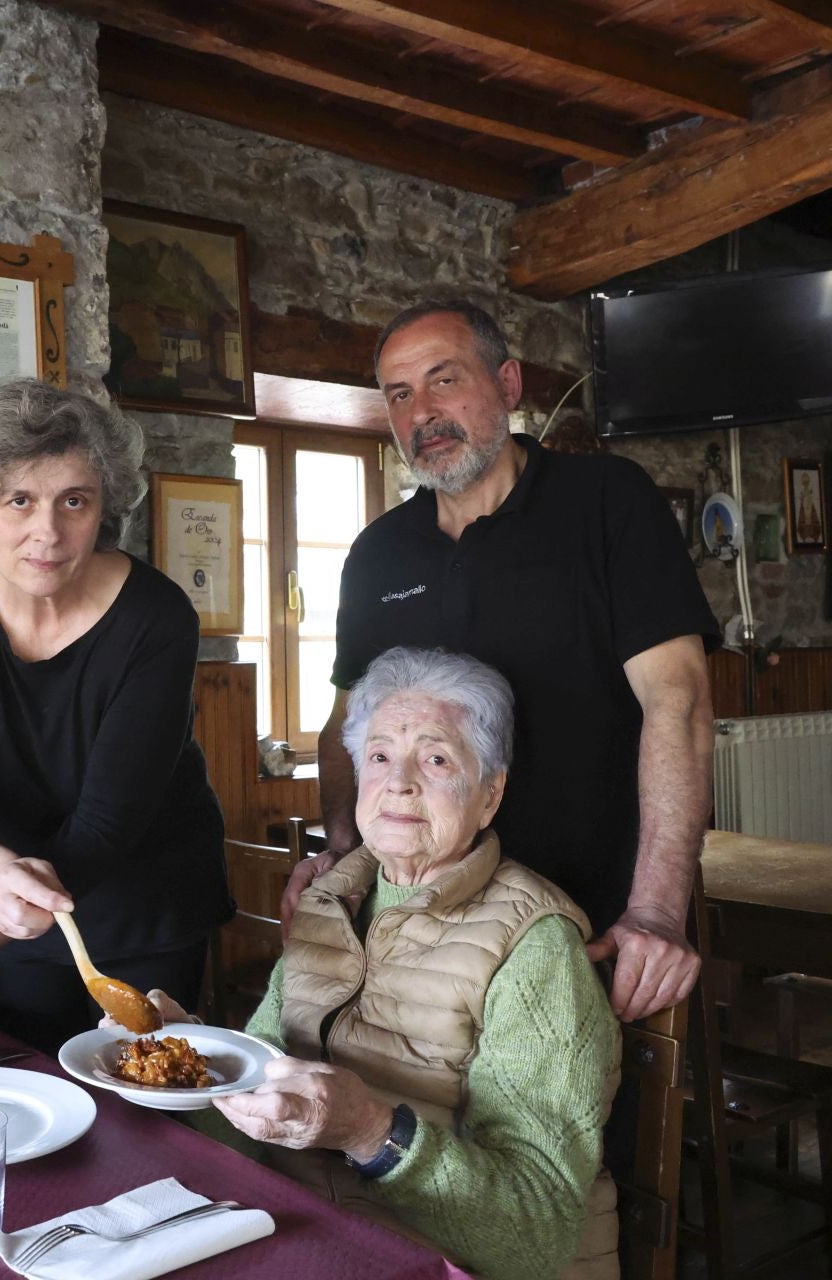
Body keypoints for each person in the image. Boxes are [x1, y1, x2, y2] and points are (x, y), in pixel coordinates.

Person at [282, 300, 718, 1028]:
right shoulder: (377, 554)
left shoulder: (608, 504)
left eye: (444, 380)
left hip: (587, 925)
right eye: (399, 394)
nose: (423, 411)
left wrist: (656, 909)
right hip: (417, 936)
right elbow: (346, 723)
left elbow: (680, 703)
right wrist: (344, 855)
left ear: (508, 384)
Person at [145, 648, 619, 1280]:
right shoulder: (327, 901)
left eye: (436, 759)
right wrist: (186, 1064)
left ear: (490, 794)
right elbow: (256, 1099)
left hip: (426, 1260)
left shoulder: (536, 947)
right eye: (379, 756)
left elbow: (536, 1235)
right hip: (295, 1229)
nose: (399, 781)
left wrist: (372, 1134)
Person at [0, 380, 234, 1051]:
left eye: (74, 501)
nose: (48, 533)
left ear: (104, 505)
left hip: (142, 910)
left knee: (141, 1089)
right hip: (8, 918)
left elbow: (105, 828)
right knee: (25, 1081)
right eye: (20, 500)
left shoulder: (156, 616)